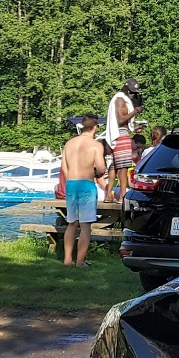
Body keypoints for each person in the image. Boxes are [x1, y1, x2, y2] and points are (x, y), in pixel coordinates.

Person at [61, 114, 108, 267]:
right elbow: (101, 168)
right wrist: (94, 173)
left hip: (71, 183)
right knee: (85, 225)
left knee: (71, 223)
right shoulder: (96, 145)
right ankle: (80, 261)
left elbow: (64, 167)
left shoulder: (69, 144)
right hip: (86, 184)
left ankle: (67, 259)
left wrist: (71, 178)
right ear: (96, 127)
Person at [106, 78, 143, 200]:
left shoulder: (120, 99)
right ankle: (122, 196)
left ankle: (108, 195)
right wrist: (136, 111)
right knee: (124, 166)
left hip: (120, 133)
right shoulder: (121, 100)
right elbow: (121, 120)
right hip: (120, 134)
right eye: (131, 92)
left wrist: (133, 127)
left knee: (114, 166)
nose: (132, 95)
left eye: (134, 93)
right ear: (126, 89)